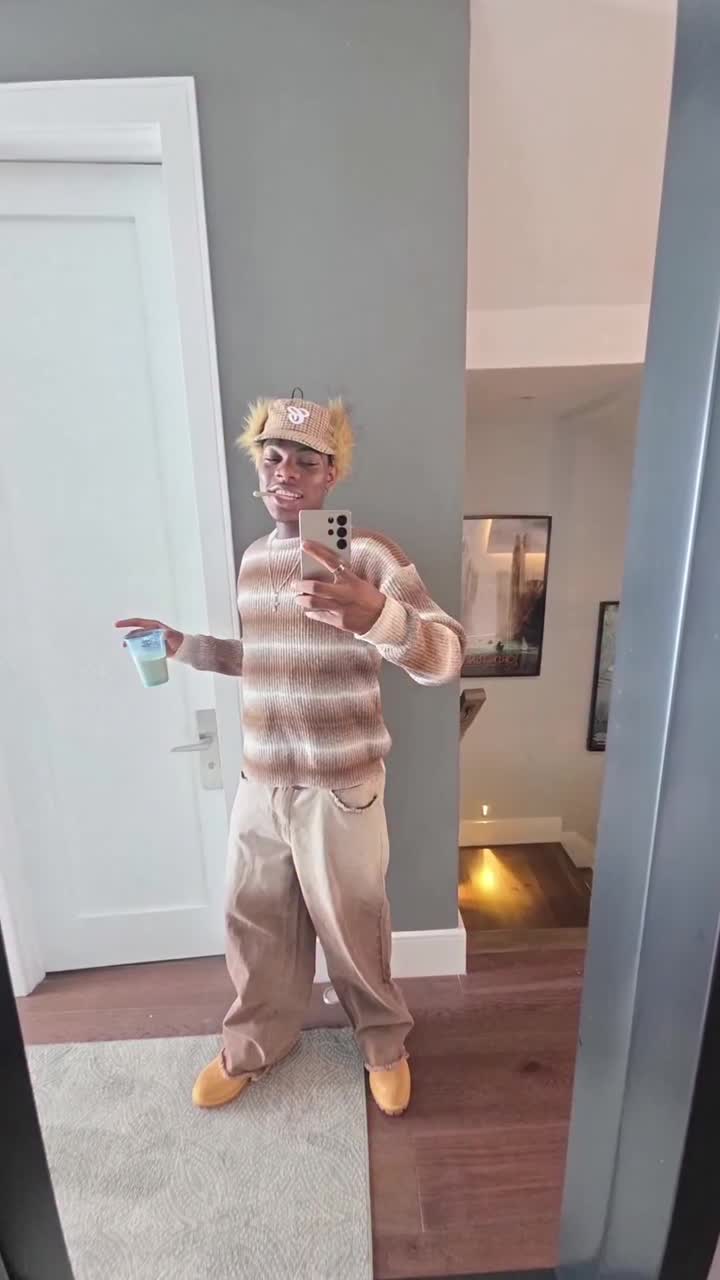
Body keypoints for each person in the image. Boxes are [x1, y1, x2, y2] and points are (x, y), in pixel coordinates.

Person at [117, 396, 465, 1117]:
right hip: (262, 783)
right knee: (255, 925)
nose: (287, 471)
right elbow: (263, 659)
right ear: (259, 469)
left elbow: (445, 657)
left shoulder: (366, 554)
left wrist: (379, 616)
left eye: (307, 461)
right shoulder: (253, 561)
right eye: (273, 457)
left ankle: (383, 1046)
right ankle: (256, 1045)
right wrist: (184, 647)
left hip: (342, 785)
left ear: (331, 473)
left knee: (354, 927)